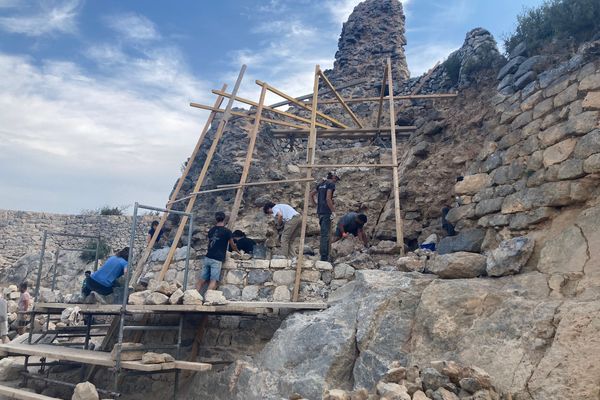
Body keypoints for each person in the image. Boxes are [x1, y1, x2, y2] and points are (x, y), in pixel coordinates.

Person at [197, 212, 239, 292]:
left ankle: (193, 297)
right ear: (224, 219)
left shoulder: (211, 230)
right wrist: (238, 252)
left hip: (208, 256)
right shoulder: (227, 231)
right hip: (217, 259)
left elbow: (209, 242)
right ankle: (208, 299)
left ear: (216, 219)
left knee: (202, 279)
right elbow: (232, 245)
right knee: (213, 281)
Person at [310, 172, 340, 262]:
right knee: (325, 235)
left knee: (324, 233)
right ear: (333, 177)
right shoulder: (330, 184)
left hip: (320, 211)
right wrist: (333, 211)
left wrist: (315, 205)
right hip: (327, 212)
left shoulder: (321, 184)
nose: (336, 182)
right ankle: (324, 257)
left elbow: (311, 194)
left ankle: (325, 254)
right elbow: (328, 198)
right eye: (336, 179)